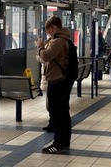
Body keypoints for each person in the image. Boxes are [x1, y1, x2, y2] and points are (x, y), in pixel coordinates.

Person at [37, 16, 75, 154]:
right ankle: (64, 142)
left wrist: (40, 46)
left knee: (57, 114)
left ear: (54, 27)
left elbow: (46, 56)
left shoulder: (58, 41)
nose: (48, 33)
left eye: (48, 30)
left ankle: (58, 144)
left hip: (57, 81)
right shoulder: (65, 40)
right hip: (63, 80)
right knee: (63, 112)